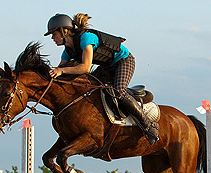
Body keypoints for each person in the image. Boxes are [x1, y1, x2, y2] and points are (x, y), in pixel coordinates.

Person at [44, 13, 158, 146]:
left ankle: (148, 126)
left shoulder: (86, 38)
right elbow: (60, 72)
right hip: (108, 66)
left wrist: (61, 70)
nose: (52, 38)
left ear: (64, 31)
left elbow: (85, 68)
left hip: (124, 61)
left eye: (53, 33)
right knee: (90, 87)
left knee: (119, 91)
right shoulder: (67, 51)